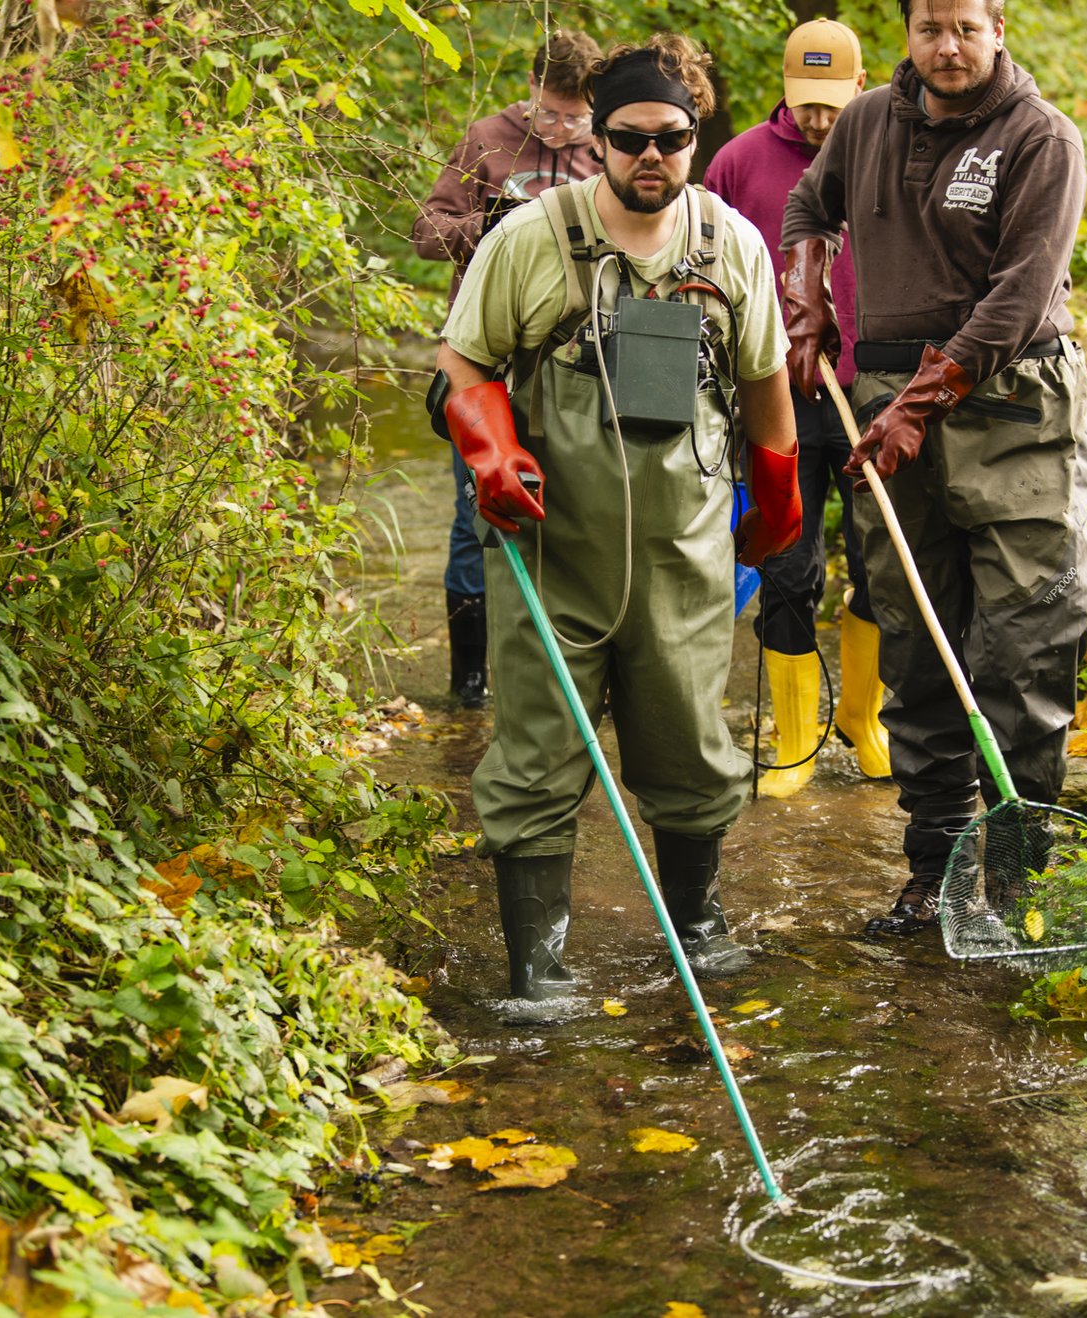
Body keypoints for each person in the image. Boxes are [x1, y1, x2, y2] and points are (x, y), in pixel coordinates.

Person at [434, 35, 803, 1001]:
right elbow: (461, 363)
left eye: (671, 138)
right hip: (551, 549)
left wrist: (779, 493)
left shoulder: (732, 245)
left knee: (692, 743)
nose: (651, 156)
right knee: (538, 752)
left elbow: (765, 383)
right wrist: (490, 450)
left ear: (694, 137)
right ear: (596, 139)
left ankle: (698, 927)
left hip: (686, 555)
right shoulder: (530, 239)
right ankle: (538, 965)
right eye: (630, 138)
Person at [781, 0, 1087, 937]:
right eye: (930, 29)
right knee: (917, 644)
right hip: (885, 399)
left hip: (1013, 405)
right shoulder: (866, 121)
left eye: (966, 27)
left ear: (998, 28)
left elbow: (1023, 291)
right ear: (907, 35)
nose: (948, 47)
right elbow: (808, 206)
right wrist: (807, 300)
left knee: (1025, 647)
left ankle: (1015, 883)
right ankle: (934, 871)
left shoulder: (1042, 138)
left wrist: (924, 400)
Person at [703, 18, 889, 800]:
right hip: (777, 394)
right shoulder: (737, 162)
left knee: (883, 566)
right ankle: (792, 740)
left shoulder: (890, 150)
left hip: (877, 393)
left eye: (832, 103)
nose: (817, 119)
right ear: (784, 87)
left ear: (860, 86)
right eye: (805, 101)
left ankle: (861, 716)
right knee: (787, 563)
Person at [411, 30, 604, 709]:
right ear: (529, 90)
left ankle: (572, 670)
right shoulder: (487, 140)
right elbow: (426, 231)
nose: (559, 130)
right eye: (548, 114)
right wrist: (491, 228)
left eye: (574, 120)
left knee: (578, 510)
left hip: (578, 362)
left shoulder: (608, 147)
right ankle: (470, 679)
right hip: (483, 358)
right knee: (476, 514)